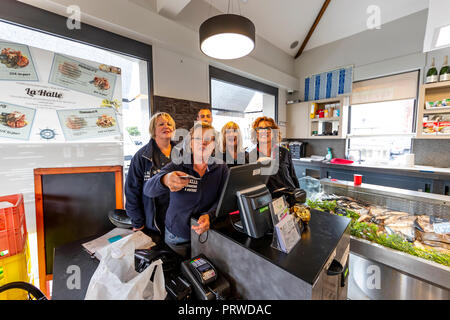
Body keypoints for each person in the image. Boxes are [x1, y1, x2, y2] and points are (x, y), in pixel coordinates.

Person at [143, 122, 229, 257]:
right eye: (198, 138)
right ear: (190, 143)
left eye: (208, 139)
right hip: (177, 235)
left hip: (206, 233)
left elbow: (223, 199)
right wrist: (164, 180)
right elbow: (148, 189)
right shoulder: (177, 164)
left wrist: (209, 215)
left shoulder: (221, 167)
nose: (203, 143)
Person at [125, 112, 176, 238]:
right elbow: (132, 191)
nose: (166, 126)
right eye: (161, 124)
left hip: (176, 221)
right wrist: (137, 223)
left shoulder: (182, 154)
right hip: (153, 223)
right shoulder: (141, 157)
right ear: (153, 129)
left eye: (169, 124)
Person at [249, 116, 300, 194]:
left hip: (289, 197)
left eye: (268, 128)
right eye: (260, 129)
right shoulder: (250, 157)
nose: (264, 131)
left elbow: (293, 177)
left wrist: (298, 194)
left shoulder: (284, 152)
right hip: (267, 201)